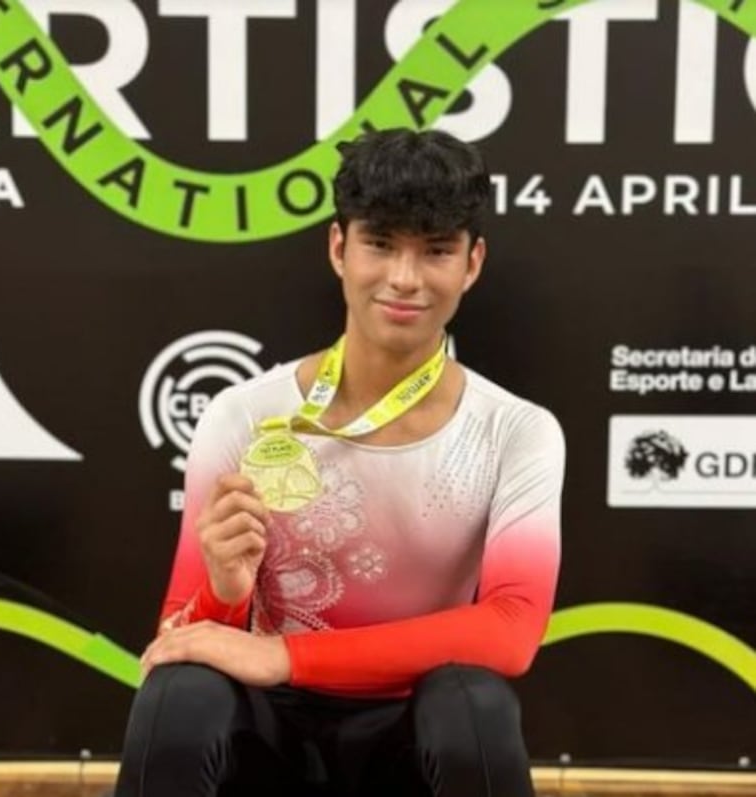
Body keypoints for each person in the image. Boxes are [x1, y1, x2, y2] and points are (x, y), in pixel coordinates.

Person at [114, 128, 565, 797]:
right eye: (380, 244)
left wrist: (283, 653)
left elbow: (510, 630)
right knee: (178, 692)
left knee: (474, 704)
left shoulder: (515, 431)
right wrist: (226, 595)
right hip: (271, 736)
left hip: (411, 734)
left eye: (435, 250)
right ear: (338, 247)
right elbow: (180, 635)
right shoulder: (243, 415)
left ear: (471, 264)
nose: (404, 278)